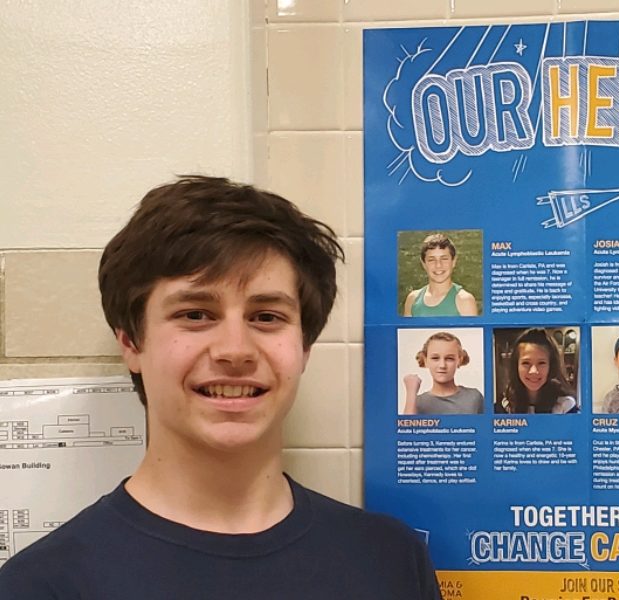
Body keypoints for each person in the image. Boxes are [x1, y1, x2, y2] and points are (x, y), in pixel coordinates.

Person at [0, 176, 441, 599]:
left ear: (304, 347)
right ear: (131, 343)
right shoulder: (43, 585)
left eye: (266, 316)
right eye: (195, 314)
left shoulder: (390, 561)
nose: (235, 350)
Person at [495, 328, 578, 414]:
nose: (533, 371)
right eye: (526, 363)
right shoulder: (505, 405)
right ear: (516, 366)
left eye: (541, 363)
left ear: (551, 366)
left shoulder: (566, 405)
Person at [402, 331, 484, 414]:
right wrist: (411, 392)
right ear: (425, 360)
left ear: (459, 360)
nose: (442, 365)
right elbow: (408, 426)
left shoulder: (474, 397)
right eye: (435, 358)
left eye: (449, 359)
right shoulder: (417, 403)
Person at [403, 233, 478, 317]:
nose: (438, 265)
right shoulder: (413, 299)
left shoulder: (464, 300)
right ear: (423, 263)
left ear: (453, 261)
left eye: (444, 259)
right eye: (431, 260)